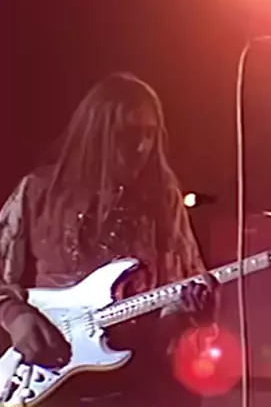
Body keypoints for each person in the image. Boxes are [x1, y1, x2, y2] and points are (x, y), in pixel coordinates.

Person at [0, 72, 216, 406]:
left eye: (149, 134)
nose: (141, 148)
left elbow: (179, 284)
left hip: (136, 385)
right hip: (51, 381)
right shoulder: (39, 192)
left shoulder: (162, 200)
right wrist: (16, 316)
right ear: (97, 134)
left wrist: (189, 312)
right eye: (128, 135)